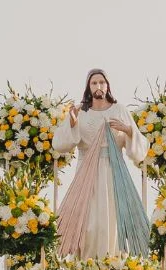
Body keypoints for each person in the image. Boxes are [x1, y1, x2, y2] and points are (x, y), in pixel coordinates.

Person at [50, 69, 151, 258]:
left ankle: (112, 262)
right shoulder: (80, 111)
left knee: (111, 219)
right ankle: (87, 264)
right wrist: (72, 124)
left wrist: (128, 130)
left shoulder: (119, 110)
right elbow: (60, 144)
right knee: (89, 222)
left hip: (113, 172)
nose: (98, 86)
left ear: (107, 86)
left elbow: (140, 149)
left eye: (102, 82)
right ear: (88, 87)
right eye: (94, 83)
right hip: (86, 172)